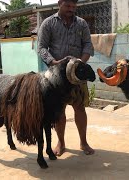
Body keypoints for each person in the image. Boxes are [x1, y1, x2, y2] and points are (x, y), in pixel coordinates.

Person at [37, 0, 95, 156]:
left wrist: (79, 64)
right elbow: (41, 47)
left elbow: (88, 45)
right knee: (59, 110)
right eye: (68, 6)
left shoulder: (82, 24)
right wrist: (54, 62)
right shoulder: (48, 23)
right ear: (59, 4)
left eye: (74, 7)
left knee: (80, 108)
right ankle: (61, 143)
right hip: (56, 77)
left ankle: (83, 142)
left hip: (77, 75)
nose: (71, 9)